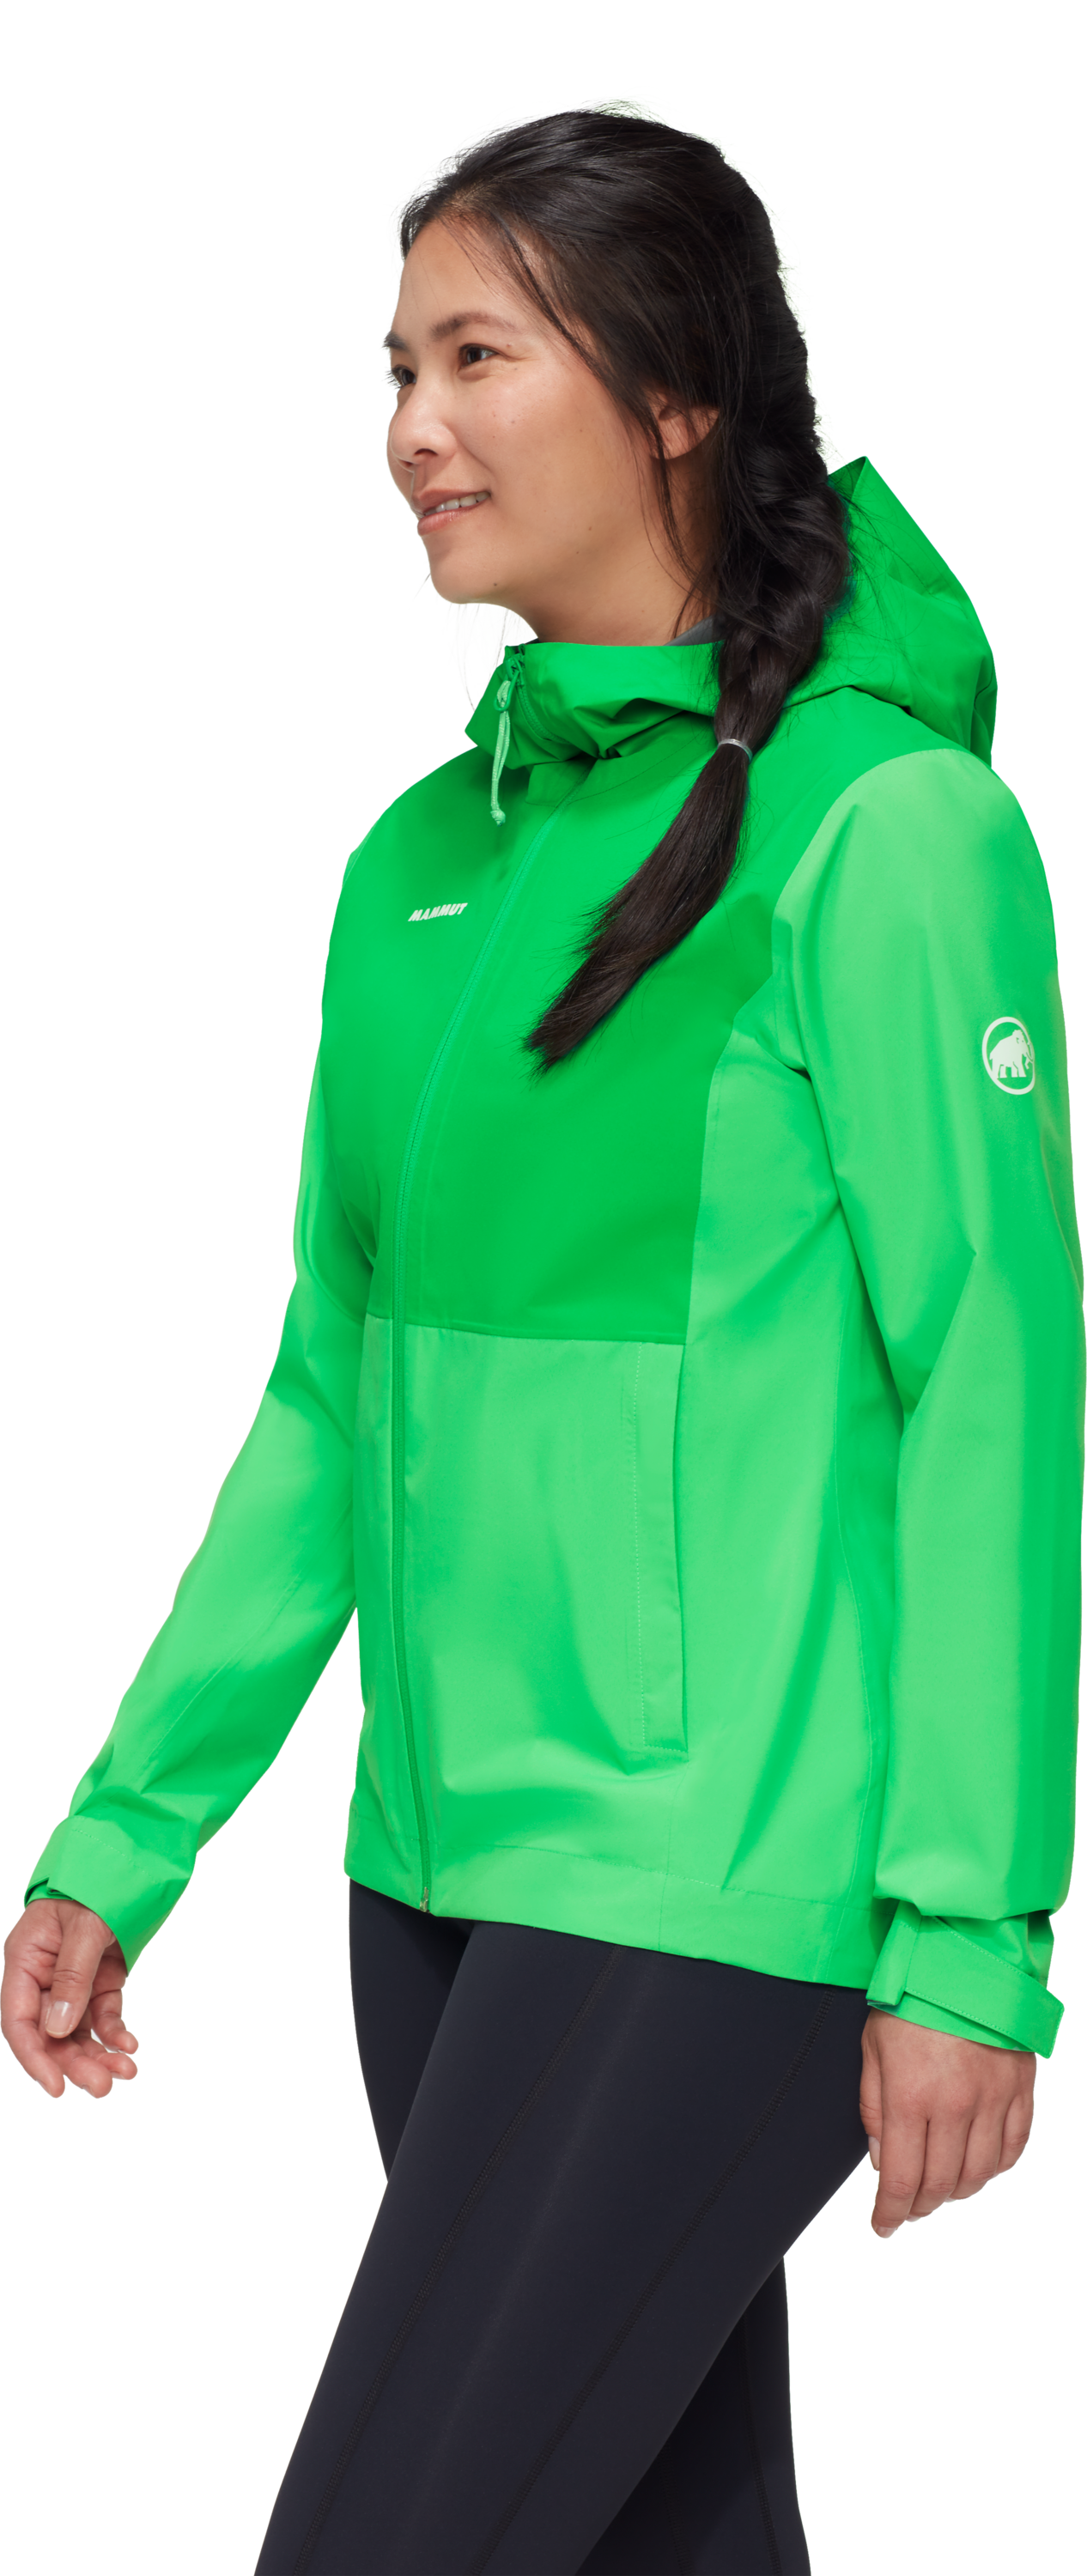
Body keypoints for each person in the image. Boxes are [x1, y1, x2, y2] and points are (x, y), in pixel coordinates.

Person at [3, 88, 1082, 2576]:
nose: (414, 426)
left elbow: (993, 1388)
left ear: (681, 390)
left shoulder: (888, 834)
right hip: (432, 1873)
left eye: (479, 355)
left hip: (722, 1877)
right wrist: (131, 1829)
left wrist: (969, 1929)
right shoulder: (415, 864)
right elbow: (329, 1385)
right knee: (649, 2543)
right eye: (397, 366)